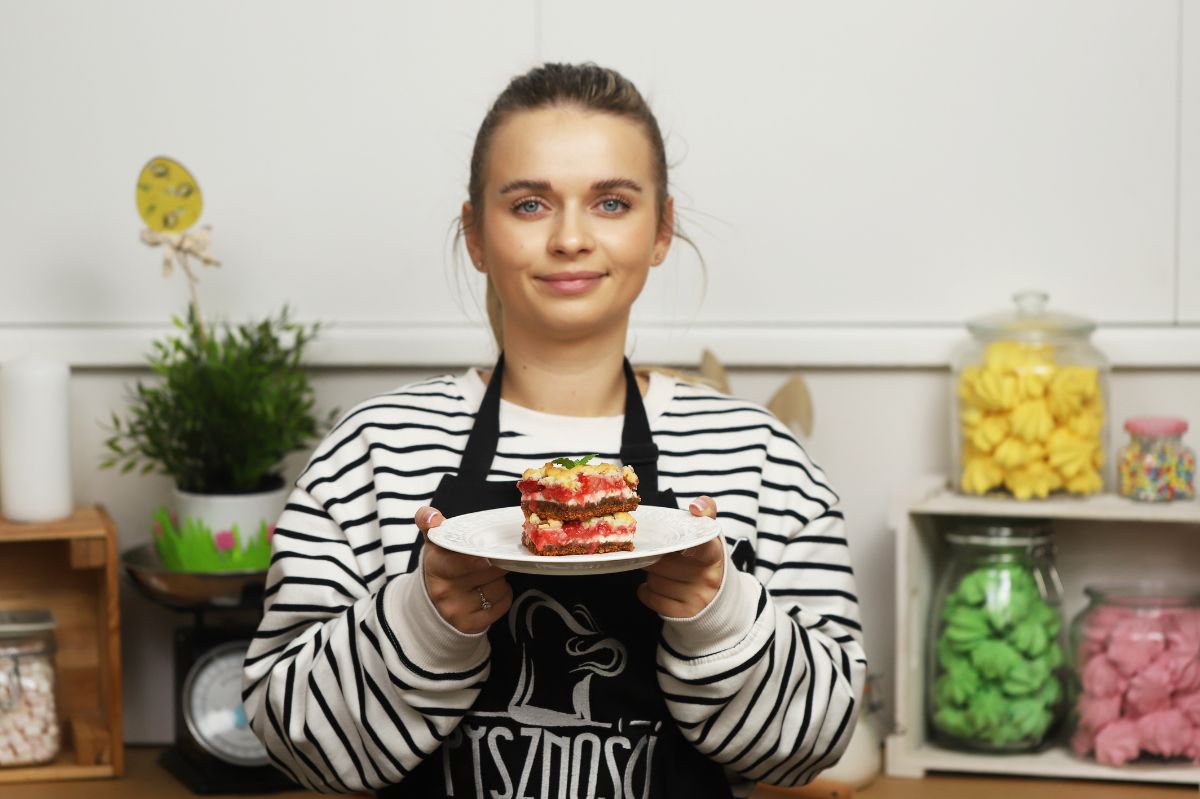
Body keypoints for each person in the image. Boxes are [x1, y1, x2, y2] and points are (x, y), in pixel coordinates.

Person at [243, 62, 866, 798]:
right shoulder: (372, 451)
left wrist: (720, 611)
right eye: (531, 203)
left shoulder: (762, 460)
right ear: (476, 234)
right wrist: (425, 618)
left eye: (611, 201)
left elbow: (811, 745)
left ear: (661, 228)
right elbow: (294, 743)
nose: (571, 237)